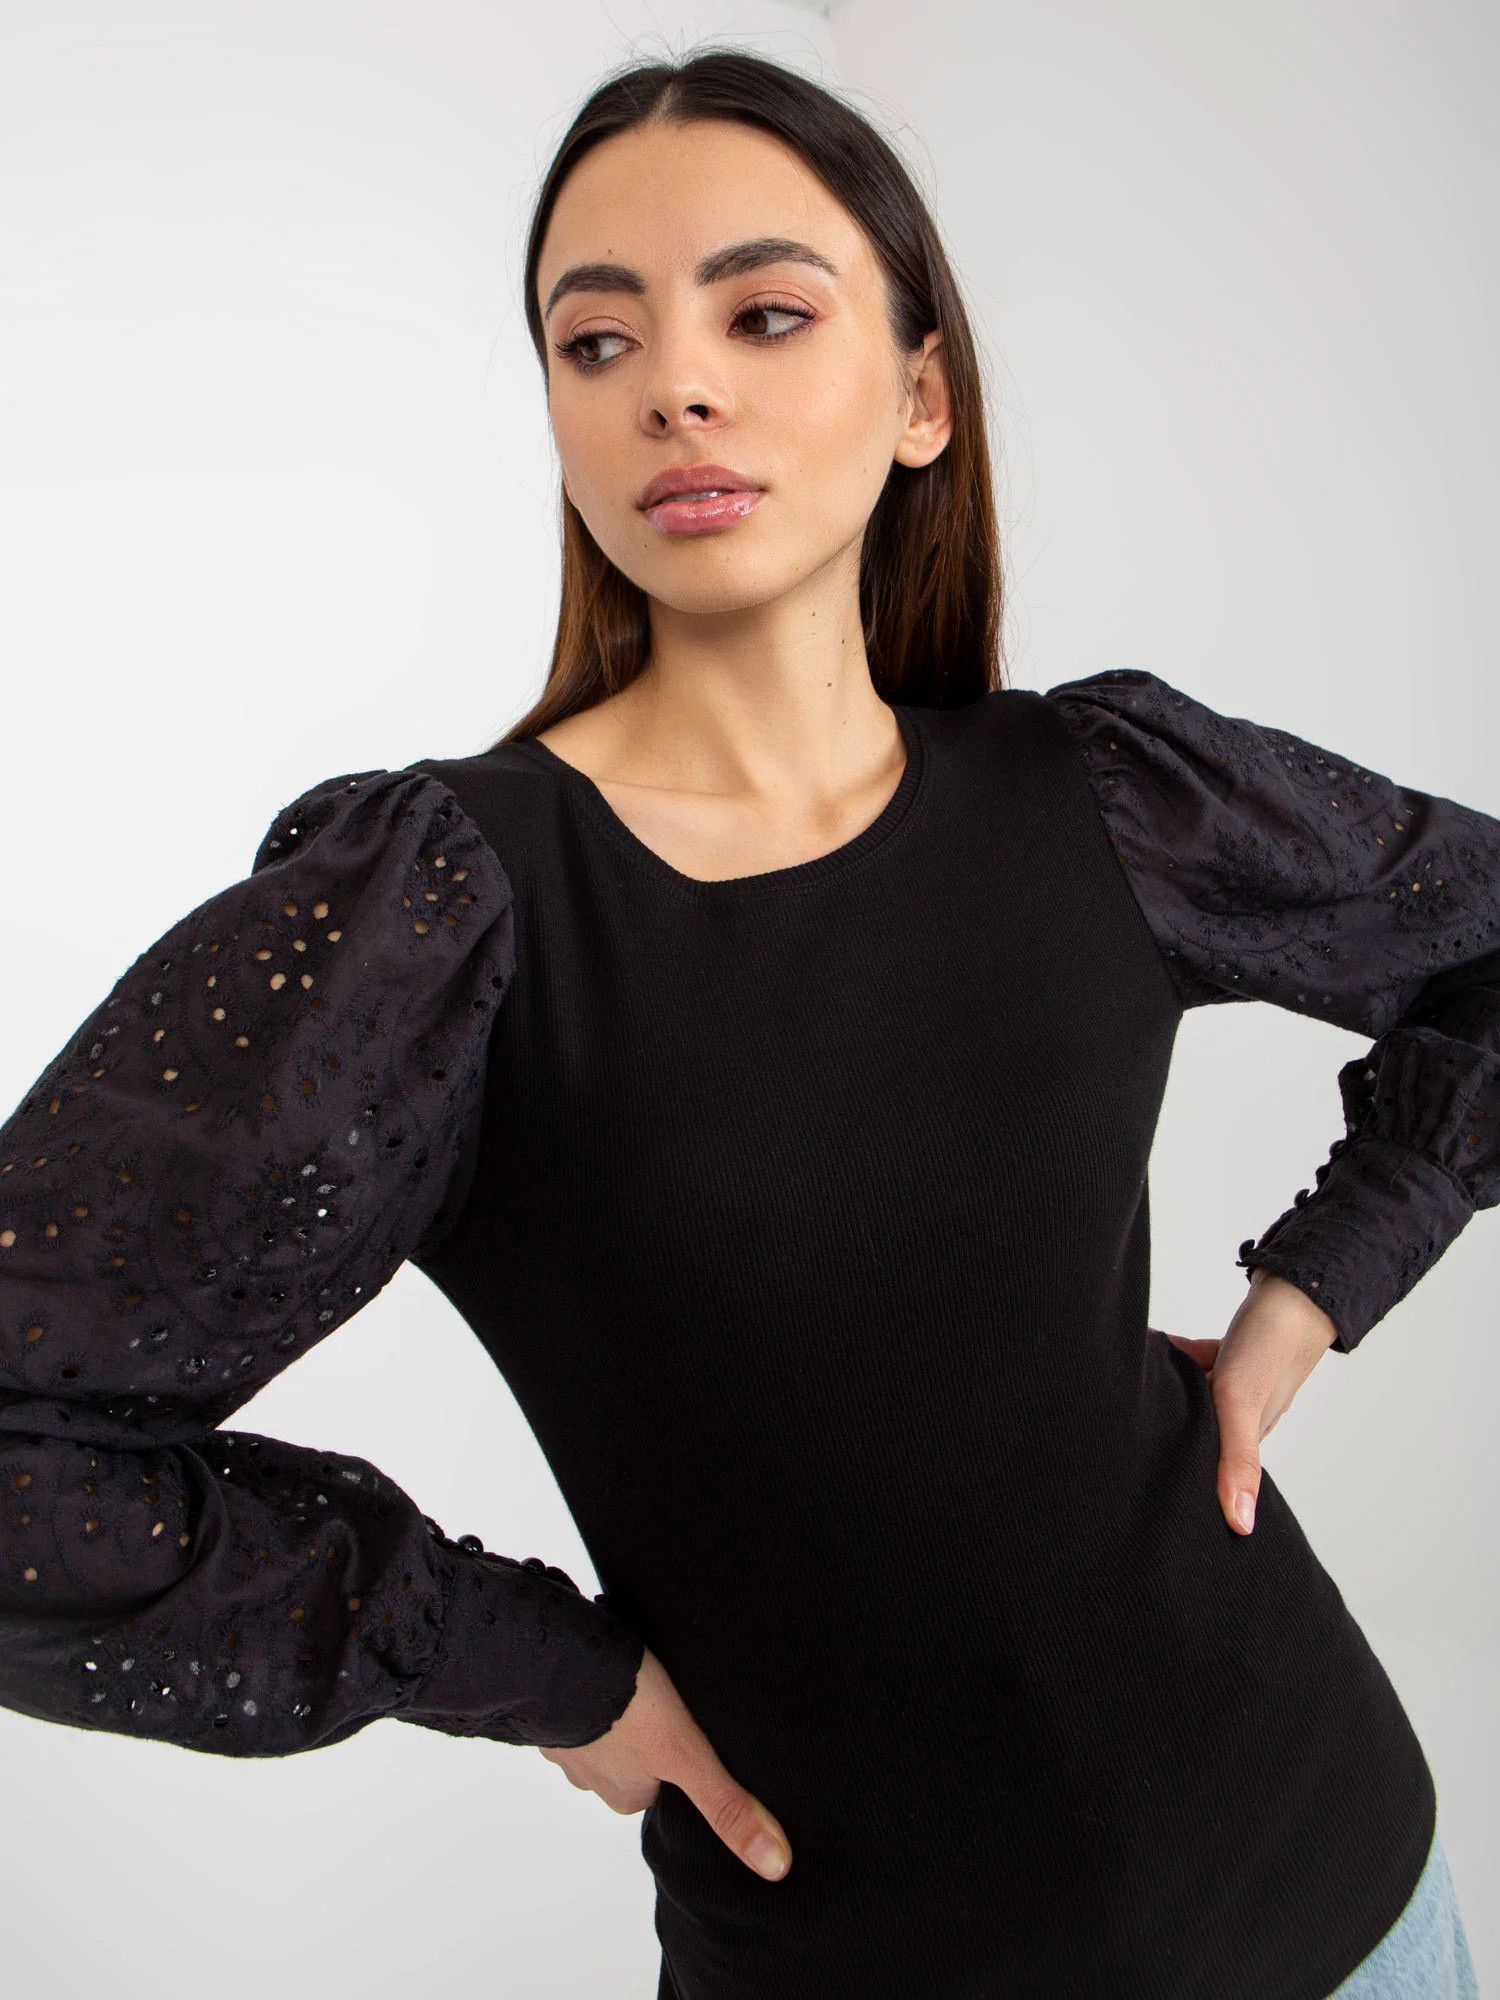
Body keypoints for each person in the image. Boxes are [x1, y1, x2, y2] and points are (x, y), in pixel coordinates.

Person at [0, 47, 1489, 2000]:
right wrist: (530, 1662)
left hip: (1349, 1896)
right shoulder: (434, 917)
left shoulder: (1108, 798)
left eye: (763, 315)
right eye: (597, 341)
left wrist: (1318, 1285)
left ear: (925, 395)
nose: (675, 389)